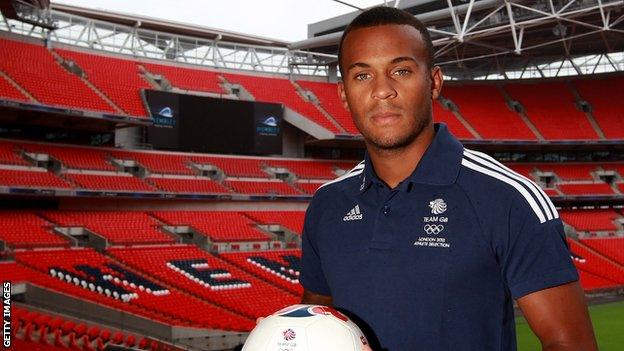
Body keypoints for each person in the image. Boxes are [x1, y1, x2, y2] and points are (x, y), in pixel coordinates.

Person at [299, 6, 597, 351]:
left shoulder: (509, 198)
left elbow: (570, 343)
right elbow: (317, 322)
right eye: (363, 75)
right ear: (343, 95)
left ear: (434, 83)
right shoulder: (327, 205)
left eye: (401, 70)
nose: (382, 90)